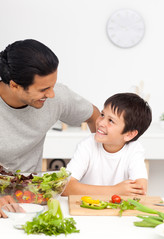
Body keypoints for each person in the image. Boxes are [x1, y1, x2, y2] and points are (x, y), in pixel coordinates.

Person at [0, 39, 100, 217]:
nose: (51, 94)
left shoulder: (56, 97)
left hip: (32, 202)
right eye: (44, 89)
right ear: (14, 85)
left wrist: (99, 163)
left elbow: (95, 117)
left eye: (53, 86)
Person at [63, 93, 152, 196]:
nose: (101, 123)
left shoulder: (134, 149)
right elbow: (65, 187)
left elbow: (140, 191)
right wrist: (115, 190)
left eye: (111, 121)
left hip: (117, 210)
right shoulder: (87, 145)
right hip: (87, 208)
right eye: (102, 115)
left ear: (129, 134)